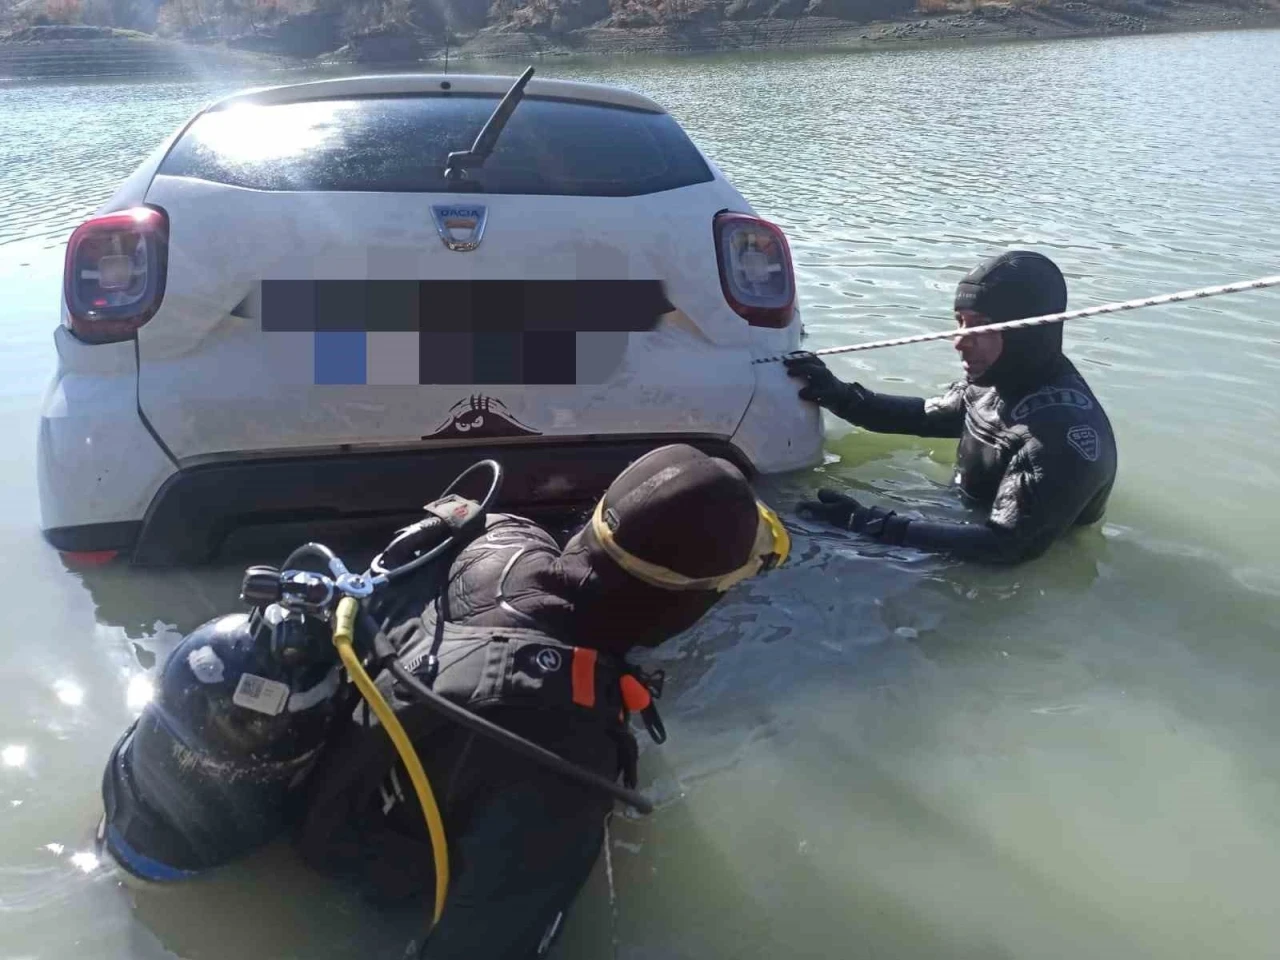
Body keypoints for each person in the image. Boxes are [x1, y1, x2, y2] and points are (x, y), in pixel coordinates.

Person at [295, 443, 789, 958]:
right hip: (350, 862)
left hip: (342, 755)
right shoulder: (564, 755)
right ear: (688, 603)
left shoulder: (501, 534)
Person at [784, 250, 1117, 565]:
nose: (959, 341)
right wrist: (839, 395)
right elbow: (922, 416)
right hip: (960, 522)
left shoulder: (1059, 435)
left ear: (1027, 332)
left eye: (980, 325)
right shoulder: (995, 381)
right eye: (960, 321)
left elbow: (1008, 547)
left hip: (1008, 569)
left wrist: (871, 525)